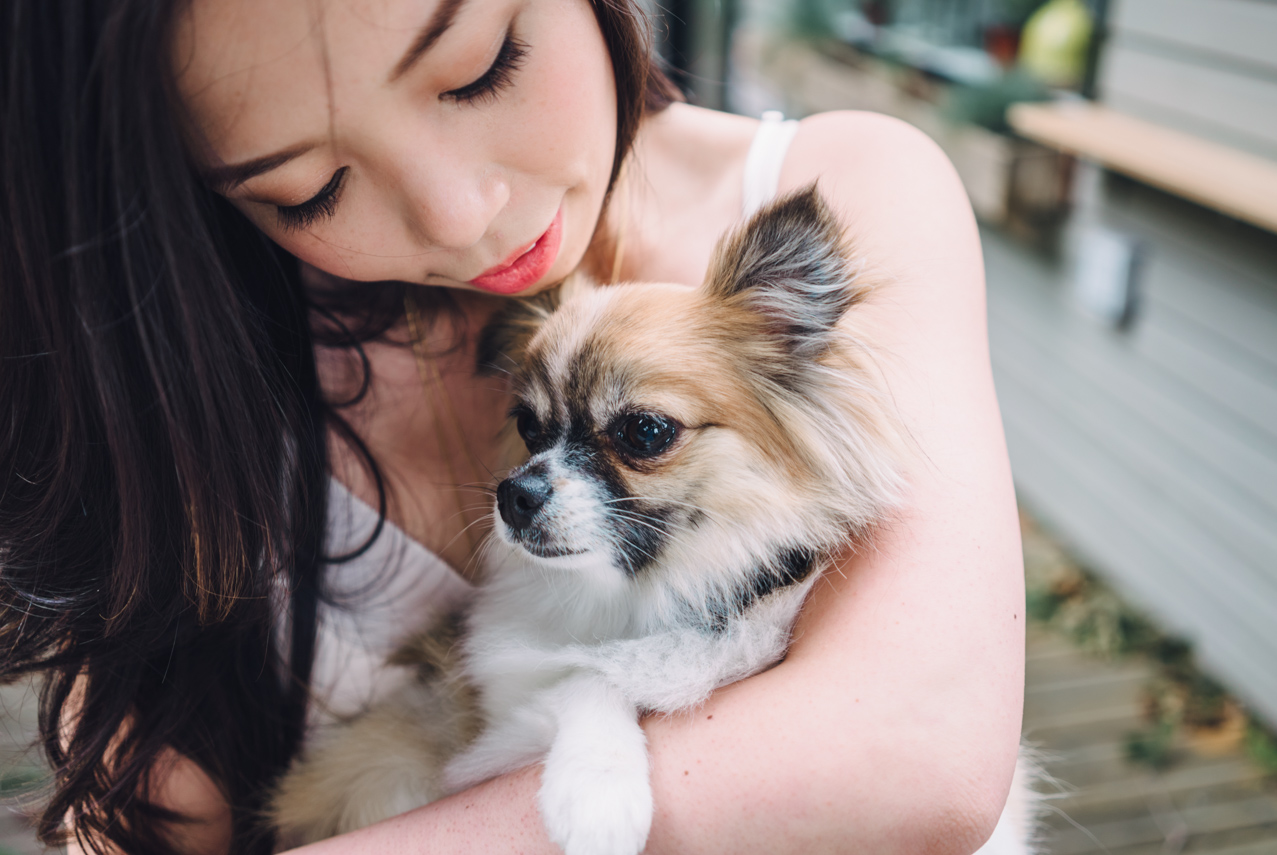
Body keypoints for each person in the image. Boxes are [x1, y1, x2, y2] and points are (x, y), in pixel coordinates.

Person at [0, 1, 1026, 853]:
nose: (458, 212)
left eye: (479, 68)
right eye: (310, 188)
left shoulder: (846, 190)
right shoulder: (164, 383)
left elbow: (917, 748)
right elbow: (139, 819)